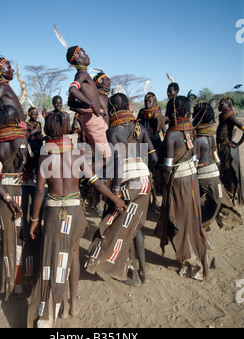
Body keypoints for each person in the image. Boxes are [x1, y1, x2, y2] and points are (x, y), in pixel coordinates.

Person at [27, 111, 126, 328]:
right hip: (74, 210)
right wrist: (115, 200)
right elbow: (96, 182)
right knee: (72, 255)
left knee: (51, 256)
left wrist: (34, 219)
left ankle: (50, 307)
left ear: (47, 130)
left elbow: (40, 192)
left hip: (53, 210)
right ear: (66, 130)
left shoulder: (44, 154)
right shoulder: (77, 153)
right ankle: (70, 306)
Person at [86, 93, 158, 286]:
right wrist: (140, 166)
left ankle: (131, 272)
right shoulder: (139, 127)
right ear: (127, 105)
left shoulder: (113, 131)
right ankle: (143, 272)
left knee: (122, 227)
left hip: (126, 183)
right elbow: (154, 159)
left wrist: (116, 190)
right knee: (136, 226)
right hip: (144, 182)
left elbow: (116, 164)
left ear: (113, 109)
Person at [0, 104, 41, 301]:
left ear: (2, 122)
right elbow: (40, 159)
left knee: (9, 238)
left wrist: (9, 199)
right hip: (26, 191)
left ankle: (13, 285)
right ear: (16, 120)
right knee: (26, 236)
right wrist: (30, 171)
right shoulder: (26, 140)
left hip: (6, 195)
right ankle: (29, 281)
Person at [154, 96, 208, 281]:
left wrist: (157, 166)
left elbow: (168, 166)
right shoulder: (191, 129)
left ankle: (191, 261)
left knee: (179, 221)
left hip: (178, 182)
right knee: (192, 219)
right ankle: (194, 256)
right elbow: (193, 158)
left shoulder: (172, 134)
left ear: (174, 111)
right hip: (192, 178)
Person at [193, 102, 243, 230]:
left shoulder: (198, 139)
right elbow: (214, 154)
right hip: (215, 167)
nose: (193, 115)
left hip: (220, 157)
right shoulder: (210, 135)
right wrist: (218, 169)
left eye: (195, 114)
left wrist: (237, 144)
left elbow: (194, 161)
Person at [66, 46, 112, 166]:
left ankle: (91, 180)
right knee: (108, 158)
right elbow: (72, 89)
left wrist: (86, 108)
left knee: (100, 156)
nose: (87, 55)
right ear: (77, 58)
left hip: (92, 119)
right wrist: (92, 105)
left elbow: (70, 103)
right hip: (94, 121)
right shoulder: (82, 75)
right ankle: (89, 179)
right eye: (84, 53)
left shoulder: (83, 75)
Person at [216, 96, 244, 205]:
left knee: (230, 172)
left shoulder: (231, 117)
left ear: (228, 105)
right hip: (223, 148)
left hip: (228, 149)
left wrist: (238, 143)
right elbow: (233, 130)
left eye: (221, 104)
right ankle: (228, 194)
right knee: (224, 171)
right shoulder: (223, 116)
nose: (219, 105)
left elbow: (242, 127)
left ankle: (232, 197)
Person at [0, 57, 24, 126]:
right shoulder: (1, 86)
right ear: (0, 70)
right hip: (15, 131)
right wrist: (8, 127)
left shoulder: (5, 86)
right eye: (9, 67)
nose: (12, 70)